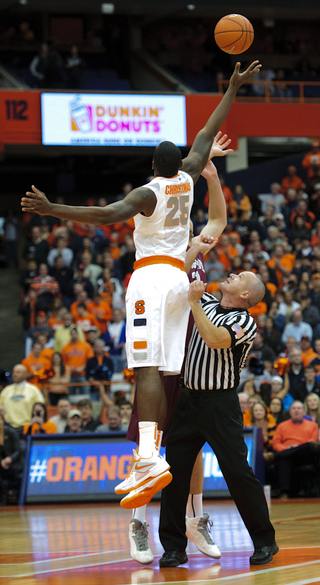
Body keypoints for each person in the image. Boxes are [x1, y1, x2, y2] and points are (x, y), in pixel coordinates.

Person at [21, 59, 262, 502]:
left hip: (151, 278)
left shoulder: (146, 193)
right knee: (166, 368)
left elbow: (105, 215)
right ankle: (153, 457)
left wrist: (53, 209)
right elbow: (206, 134)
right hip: (179, 279)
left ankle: (149, 458)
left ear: (153, 165)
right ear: (181, 163)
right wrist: (232, 86)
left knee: (146, 369)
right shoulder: (188, 178)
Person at [125, 139, 231, 564]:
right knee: (150, 441)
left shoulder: (197, 250)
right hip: (161, 353)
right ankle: (137, 522)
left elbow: (219, 220)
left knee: (194, 444)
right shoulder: (173, 258)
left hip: (189, 363)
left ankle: (197, 518)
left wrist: (212, 176)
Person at [158, 272, 277, 567]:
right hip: (188, 401)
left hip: (219, 404)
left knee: (237, 473)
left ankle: (265, 541)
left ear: (246, 294)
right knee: (173, 475)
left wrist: (195, 303)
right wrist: (195, 246)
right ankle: (173, 547)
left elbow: (214, 340)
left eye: (241, 276)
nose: (233, 273)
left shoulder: (245, 322)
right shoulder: (207, 301)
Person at [272, 400, 320, 499]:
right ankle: (284, 492)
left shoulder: (313, 425)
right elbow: (276, 443)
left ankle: (277, 456)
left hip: (305, 456)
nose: (296, 410)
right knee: (285, 458)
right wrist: (286, 448)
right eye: (294, 408)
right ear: (290, 412)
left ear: (303, 411)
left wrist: (297, 447)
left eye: (299, 408)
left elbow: (313, 442)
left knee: (308, 445)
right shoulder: (282, 426)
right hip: (288, 455)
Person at [0, 365, 45, 433]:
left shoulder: (33, 389)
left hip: (27, 427)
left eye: (18, 372)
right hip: (8, 428)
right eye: (14, 372)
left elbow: (40, 408)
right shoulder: (6, 391)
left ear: (25, 374)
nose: (15, 374)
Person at [61, 327, 94, 397]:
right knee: (70, 395)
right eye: (72, 334)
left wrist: (83, 367)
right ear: (70, 335)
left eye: (75, 333)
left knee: (85, 394)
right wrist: (69, 368)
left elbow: (90, 360)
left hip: (82, 374)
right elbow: (63, 362)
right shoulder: (65, 347)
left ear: (77, 334)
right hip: (70, 375)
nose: (73, 335)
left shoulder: (85, 345)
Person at [0, 413, 23, 505]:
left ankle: (4, 498)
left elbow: (18, 450)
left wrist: (10, 459)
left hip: (14, 465)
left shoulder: (11, 432)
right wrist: (1, 461)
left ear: (3, 421)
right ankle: (3, 498)